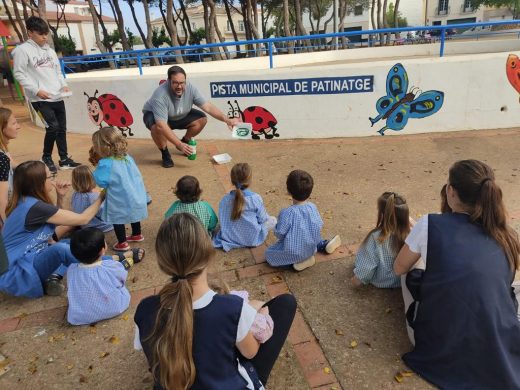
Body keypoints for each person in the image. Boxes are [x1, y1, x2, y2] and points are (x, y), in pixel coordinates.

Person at [393, 159, 520, 389]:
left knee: (412, 268)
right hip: (500, 339)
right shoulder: (506, 234)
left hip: (439, 345)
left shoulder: (430, 223)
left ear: (451, 191)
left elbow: (399, 267)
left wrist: (417, 240)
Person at [134, 213, 296, 389]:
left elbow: (153, 352)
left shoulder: (145, 309)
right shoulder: (232, 308)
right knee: (286, 303)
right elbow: (250, 352)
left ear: (163, 263)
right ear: (208, 254)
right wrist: (259, 316)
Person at [0, 161, 104, 297]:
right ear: (39, 182)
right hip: (16, 275)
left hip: (21, 262)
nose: (53, 179)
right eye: (50, 176)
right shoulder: (35, 207)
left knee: (68, 244)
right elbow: (83, 218)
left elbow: (55, 221)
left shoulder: (25, 200)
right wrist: (102, 196)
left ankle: (53, 277)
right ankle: (112, 261)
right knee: (60, 250)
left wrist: (60, 197)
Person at [12, 16, 80, 173]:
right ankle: (46, 157)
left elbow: (57, 71)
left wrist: (63, 86)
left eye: (46, 33)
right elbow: (19, 74)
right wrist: (36, 90)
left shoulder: (50, 51)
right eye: (40, 33)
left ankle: (64, 160)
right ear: (30, 33)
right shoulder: (22, 51)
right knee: (52, 127)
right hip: (39, 98)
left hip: (57, 96)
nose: (44, 37)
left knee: (61, 128)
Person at [142, 65, 239, 168]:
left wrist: (227, 120)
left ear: (185, 81)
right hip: (155, 116)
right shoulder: (160, 95)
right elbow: (161, 125)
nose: (179, 86)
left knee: (202, 119)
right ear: (168, 81)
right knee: (157, 128)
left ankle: (185, 141)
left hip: (177, 114)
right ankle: (165, 153)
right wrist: (178, 144)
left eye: (182, 83)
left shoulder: (190, 88)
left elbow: (208, 107)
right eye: (175, 83)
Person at [265, 170, 341, 271]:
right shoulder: (312, 207)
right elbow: (318, 225)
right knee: (312, 237)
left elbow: (280, 234)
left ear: (288, 191)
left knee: (269, 254)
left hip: (294, 252)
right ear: (310, 191)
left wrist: (275, 226)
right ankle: (324, 244)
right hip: (311, 248)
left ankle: (295, 263)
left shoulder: (287, 213)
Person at [67, 227, 144, 325]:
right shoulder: (110, 266)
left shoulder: (72, 270)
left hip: (80, 316)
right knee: (119, 281)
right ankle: (124, 265)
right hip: (115, 307)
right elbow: (122, 279)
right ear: (103, 250)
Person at [90, 127, 148, 251]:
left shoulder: (106, 163)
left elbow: (99, 180)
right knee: (134, 215)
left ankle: (122, 243)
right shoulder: (127, 157)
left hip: (119, 197)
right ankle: (137, 234)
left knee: (117, 218)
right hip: (135, 193)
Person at [212, 163, 277, 251]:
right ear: (249, 181)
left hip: (229, 237)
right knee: (273, 220)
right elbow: (263, 219)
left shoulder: (224, 199)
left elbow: (223, 219)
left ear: (232, 180)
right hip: (252, 239)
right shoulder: (255, 198)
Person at [351, 192, 409, 288]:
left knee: (366, 254)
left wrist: (356, 280)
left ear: (382, 214)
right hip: (399, 282)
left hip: (380, 281)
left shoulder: (376, 237)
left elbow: (367, 268)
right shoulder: (410, 235)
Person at [71, 165, 113, 233]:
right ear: (92, 179)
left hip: (85, 226)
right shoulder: (94, 197)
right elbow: (105, 214)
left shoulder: (75, 194)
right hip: (101, 227)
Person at [0, 107, 21, 224]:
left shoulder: (3, 150)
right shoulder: (1, 158)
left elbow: (12, 163)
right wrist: (6, 230)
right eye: (14, 123)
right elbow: (2, 202)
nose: (18, 126)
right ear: (2, 128)